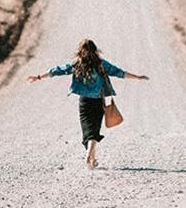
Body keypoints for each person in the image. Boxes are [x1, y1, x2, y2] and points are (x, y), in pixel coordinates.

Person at [27, 39, 149, 169]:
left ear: (80, 51)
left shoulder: (76, 64)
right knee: (94, 129)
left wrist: (39, 77)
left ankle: (90, 156)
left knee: (87, 129)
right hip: (98, 101)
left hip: (84, 102)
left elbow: (57, 70)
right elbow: (119, 72)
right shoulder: (101, 64)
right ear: (95, 50)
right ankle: (92, 157)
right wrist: (137, 77)